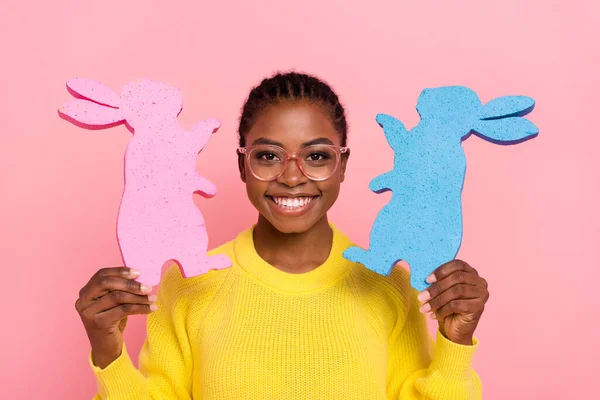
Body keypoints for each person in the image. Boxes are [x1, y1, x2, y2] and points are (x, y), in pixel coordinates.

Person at [75, 71, 489, 400]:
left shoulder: (390, 286)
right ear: (241, 166)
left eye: (317, 156)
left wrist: (456, 343)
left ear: (342, 166)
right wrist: (108, 353)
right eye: (269, 156)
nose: (292, 177)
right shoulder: (187, 285)